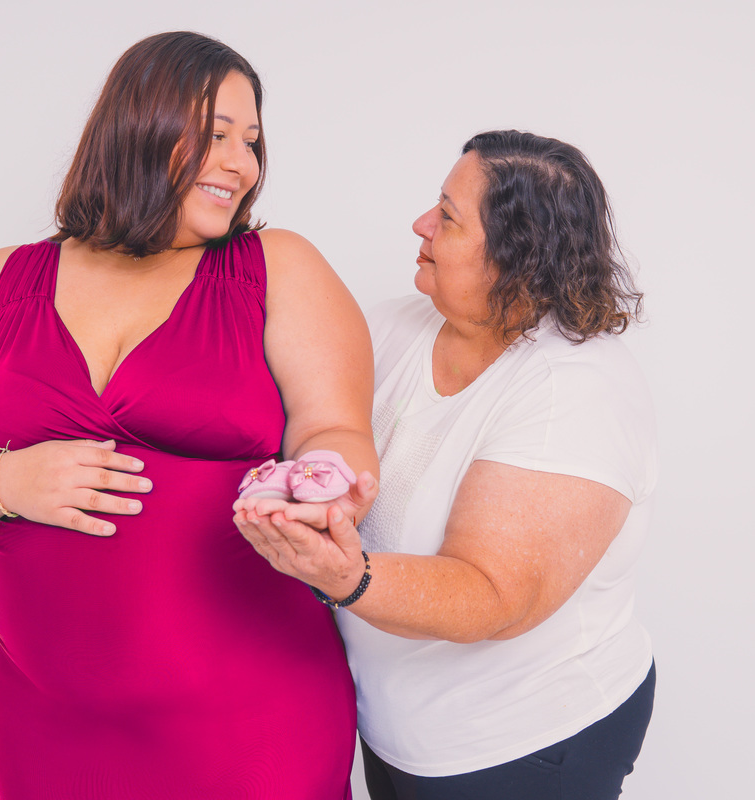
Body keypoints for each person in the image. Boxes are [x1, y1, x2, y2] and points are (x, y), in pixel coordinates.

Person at [0, 32, 376, 799]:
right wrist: (8, 481)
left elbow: (335, 430)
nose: (241, 164)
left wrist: (322, 485)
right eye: (216, 135)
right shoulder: (0, 281)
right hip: (47, 722)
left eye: (251, 141)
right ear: (137, 126)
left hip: (250, 723)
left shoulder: (277, 267)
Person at [236, 130, 657, 800]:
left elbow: (493, 594)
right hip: (398, 727)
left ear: (517, 256)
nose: (421, 224)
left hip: (527, 743)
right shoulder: (392, 327)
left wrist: (344, 577)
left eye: (449, 217)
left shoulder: (576, 392)